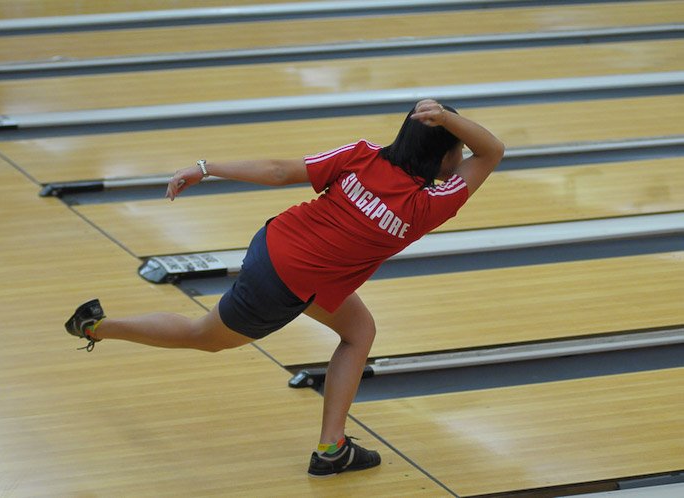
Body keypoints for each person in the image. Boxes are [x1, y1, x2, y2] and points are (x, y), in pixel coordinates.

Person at [65, 99, 504, 477]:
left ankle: (333, 448)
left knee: (359, 331)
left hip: (277, 244)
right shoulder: (429, 204)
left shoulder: (363, 155)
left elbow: (280, 171)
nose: (463, 154)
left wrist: (205, 168)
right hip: (286, 283)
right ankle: (97, 326)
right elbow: (494, 150)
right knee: (204, 336)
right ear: (444, 155)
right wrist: (448, 120)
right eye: (458, 149)